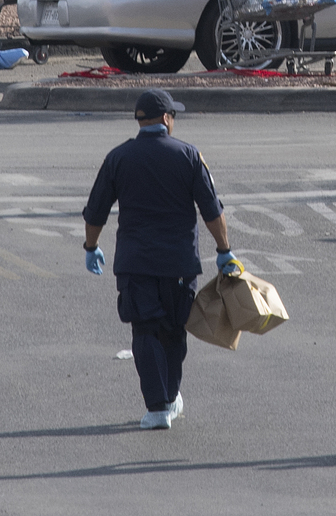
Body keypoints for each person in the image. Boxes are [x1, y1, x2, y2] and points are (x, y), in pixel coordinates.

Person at [81, 89, 241, 430]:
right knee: (173, 329)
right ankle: (168, 397)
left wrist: (90, 245)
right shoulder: (188, 156)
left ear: (140, 121)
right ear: (167, 119)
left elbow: (96, 211)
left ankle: (158, 407)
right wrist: (224, 250)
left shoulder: (118, 158)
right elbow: (212, 210)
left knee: (145, 330)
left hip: (135, 262)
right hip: (179, 263)